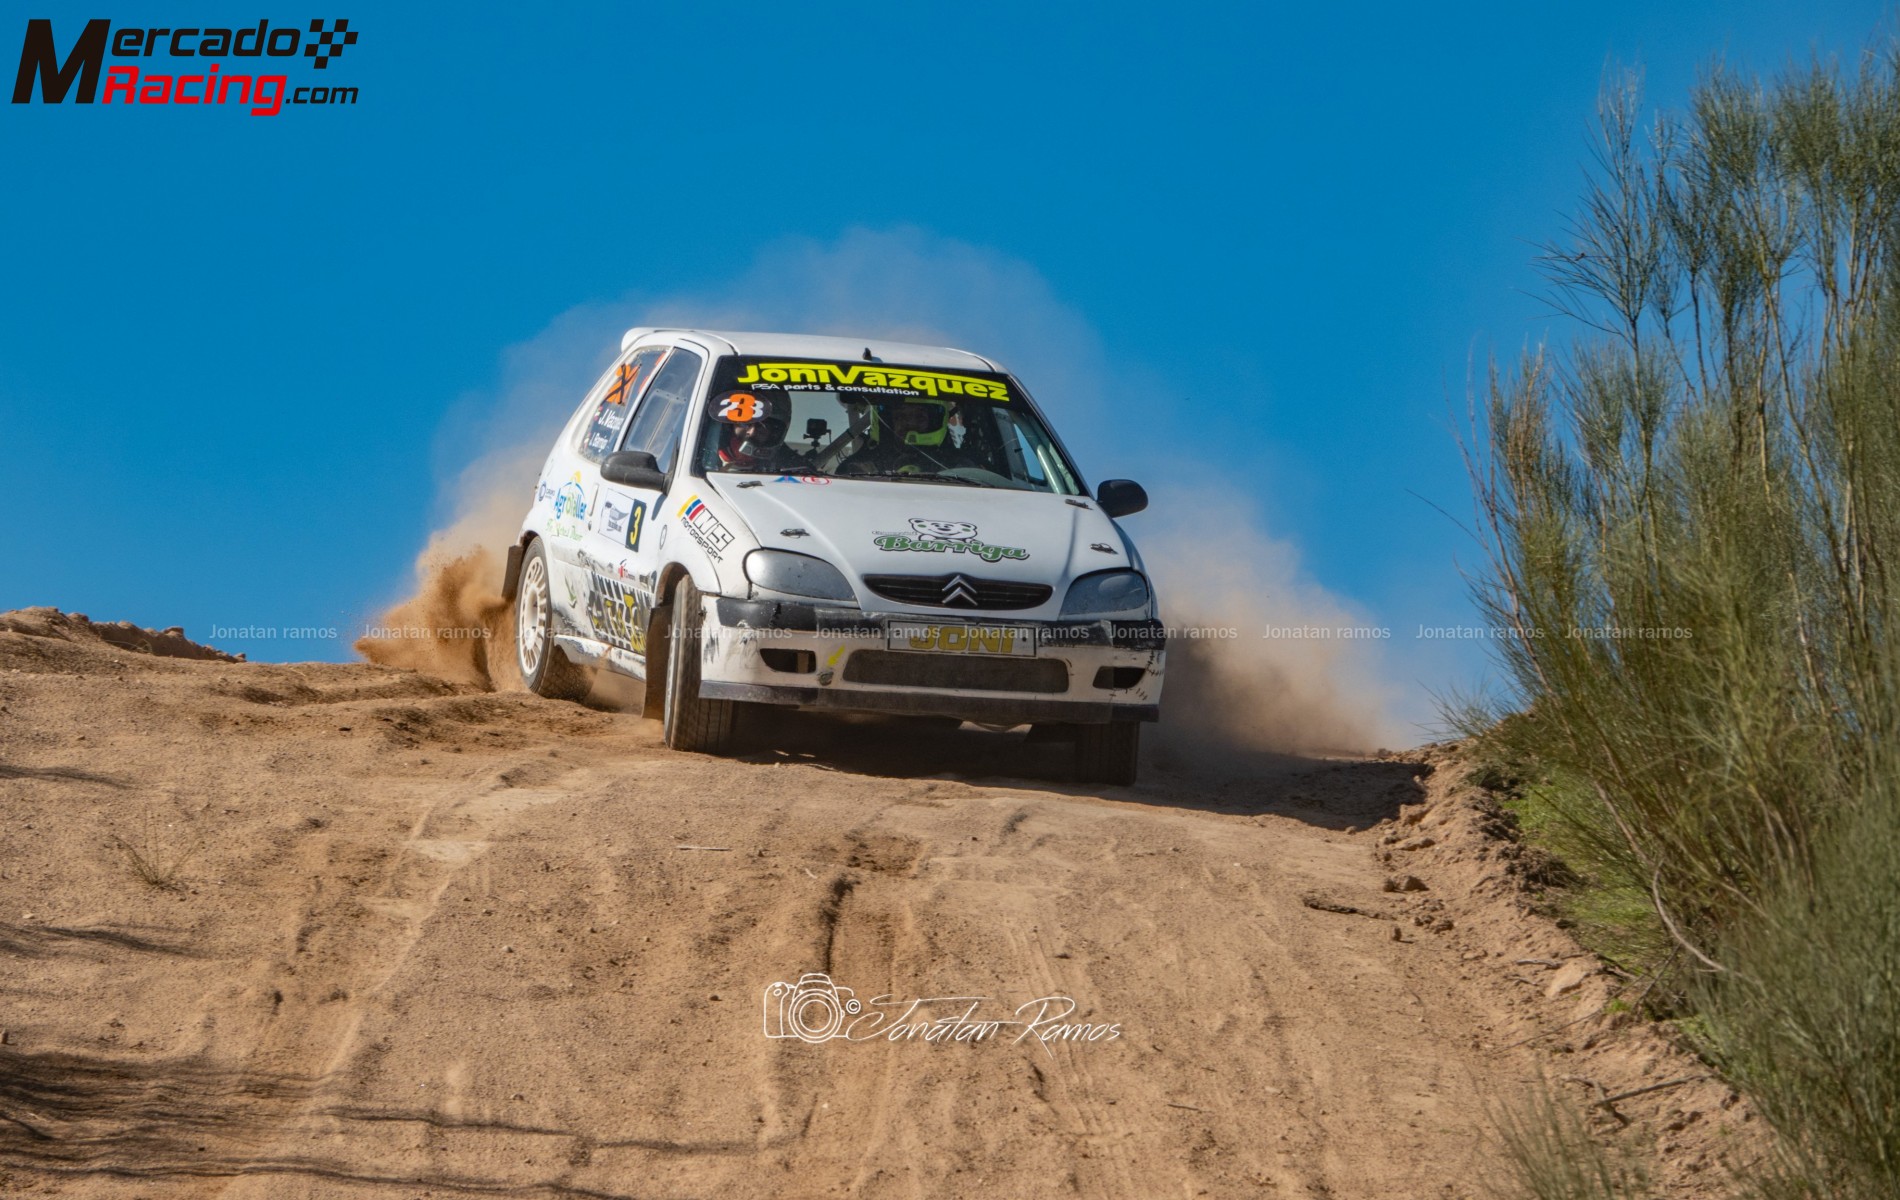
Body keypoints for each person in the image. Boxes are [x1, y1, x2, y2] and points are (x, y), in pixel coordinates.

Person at [840, 398, 965, 475]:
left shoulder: (962, 467)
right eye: (901, 417)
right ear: (888, 422)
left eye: (919, 417)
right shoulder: (856, 469)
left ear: (934, 421)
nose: (910, 424)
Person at [710, 390, 804, 472]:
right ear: (729, 426)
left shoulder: (787, 462)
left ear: (774, 432)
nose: (751, 432)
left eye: (762, 426)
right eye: (745, 423)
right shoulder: (705, 456)